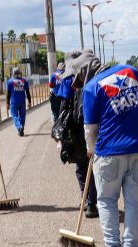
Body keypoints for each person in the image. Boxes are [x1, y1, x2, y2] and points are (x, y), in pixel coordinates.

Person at [65, 51, 138, 247]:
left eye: (76, 77)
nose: (75, 83)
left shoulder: (91, 87)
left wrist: (91, 150)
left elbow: (90, 129)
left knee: (106, 201)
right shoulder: (131, 71)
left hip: (109, 153)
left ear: (85, 71)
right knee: (136, 204)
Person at [57, 50, 99, 219]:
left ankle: (87, 200)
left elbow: (63, 107)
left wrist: (60, 135)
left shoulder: (68, 80)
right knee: (94, 165)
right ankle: (92, 202)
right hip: (95, 124)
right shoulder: (95, 76)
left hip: (77, 128)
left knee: (82, 166)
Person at [7, 67, 31, 136]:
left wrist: (7, 103)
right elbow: (28, 92)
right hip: (22, 102)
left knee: (14, 116)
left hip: (14, 102)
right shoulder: (24, 81)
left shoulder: (10, 81)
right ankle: (21, 129)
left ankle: (19, 127)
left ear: (13, 74)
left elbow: (8, 93)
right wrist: (29, 102)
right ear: (20, 73)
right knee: (22, 116)